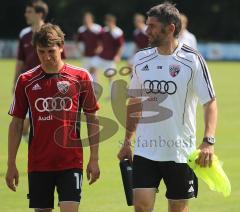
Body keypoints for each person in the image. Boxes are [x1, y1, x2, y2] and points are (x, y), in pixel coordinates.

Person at [118, 2, 217, 212]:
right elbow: (135, 102)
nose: (146, 31)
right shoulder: (141, 58)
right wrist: (127, 141)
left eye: (152, 26)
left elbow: (209, 101)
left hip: (180, 151)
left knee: (177, 208)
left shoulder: (193, 60)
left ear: (170, 28)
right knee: (141, 206)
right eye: (147, 25)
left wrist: (208, 140)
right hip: (146, 149)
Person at [6, 23, 100, 212]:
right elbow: (16, 124)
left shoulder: (80, 77)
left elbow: (92, 119)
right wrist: (11, 164)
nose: (47, 57)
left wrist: (94, 159)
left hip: (71, 161)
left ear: (62, 46)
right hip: (39, 163)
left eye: (51, 51)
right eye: (41, 52)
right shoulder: (26, 80)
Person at [13, 0, 66, 140]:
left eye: (29, 11)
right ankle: (31, 142)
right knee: (23, 125)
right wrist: (15, 82)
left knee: (47, 120)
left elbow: (62, 59)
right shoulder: (24, 34)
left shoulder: (52, 33)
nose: (26, 14)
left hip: (50, 84)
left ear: (39, 14)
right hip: (29, 84)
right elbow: (20, 60)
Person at [94, 14, 124, 97]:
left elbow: (121, 46)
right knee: (92, 68)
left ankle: (113, 94)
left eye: (108, 22)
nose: (107, 23)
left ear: (113, 22)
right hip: (102, 56)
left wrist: (118, 56)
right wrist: (99, 47)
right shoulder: (104, 30)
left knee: (110, 75)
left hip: (110, 58)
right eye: (106, 22)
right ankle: (95, 89)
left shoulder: (118, 32)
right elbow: (99, 40)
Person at [76, 12, 102, 82]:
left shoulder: (98, 28)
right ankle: (88, 89)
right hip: (86, 55)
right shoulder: (81, 30)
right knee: (86, 73)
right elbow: (78, 42)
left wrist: (100, 48)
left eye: (88, 19)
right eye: (85, 19)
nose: (86, 20)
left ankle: (96, 88)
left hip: (95, 55)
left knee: (94, 70)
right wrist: (80, 51)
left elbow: (102, 40)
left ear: (91, 19)